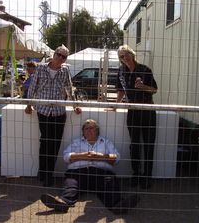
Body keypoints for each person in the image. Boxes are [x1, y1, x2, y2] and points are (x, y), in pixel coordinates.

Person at [40, 119, 140, 214]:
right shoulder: (76, 142)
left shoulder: (106, 142)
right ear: (83, 132)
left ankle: (118, 205)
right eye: (86, 129)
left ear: (97, 130)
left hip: (101, 173)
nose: (89, 131)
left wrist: (99, 156)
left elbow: (116, 158)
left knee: (110, 184)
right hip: (78, 172)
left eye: (92, 128)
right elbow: (66, 156)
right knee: (71, 184)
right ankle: (63, 203)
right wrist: (83, 155)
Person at [25, 45, 81, 187]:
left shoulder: (65, 70)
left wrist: (75, 105)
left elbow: (69, 88)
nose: (60, 58)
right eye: (59, 54)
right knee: (45, 141)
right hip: (43, 110)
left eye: (64, 56)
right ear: (54, 54)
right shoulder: (40, 68)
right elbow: (33, 87)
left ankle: (48, 174)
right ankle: (42, 171)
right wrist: (28, 104)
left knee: (55, 143)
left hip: (58, 112)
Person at [116, 44, 158, 189]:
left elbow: (154, 90)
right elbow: (121, 90)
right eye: (121, 56)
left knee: (148, 145)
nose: (124, 58)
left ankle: (147, 176)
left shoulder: (145, 69)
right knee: (134, 144)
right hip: (132, 111)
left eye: (126, 54)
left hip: (147, 111)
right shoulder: (121, 72)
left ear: (132, 54)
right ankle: (136, 174)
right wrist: (116, 104)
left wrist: (143, 87)